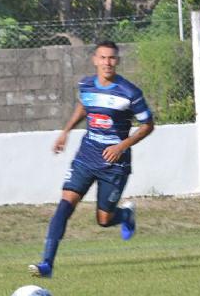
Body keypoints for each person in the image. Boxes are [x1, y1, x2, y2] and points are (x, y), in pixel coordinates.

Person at [29, 41, 154, 278]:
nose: (107, 63)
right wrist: (65, 131)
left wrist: (121, 146)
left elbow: (148, 125)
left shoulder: (130, 93)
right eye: (103, 58)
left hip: (114, 165)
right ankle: (47, 264)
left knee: (104, 220)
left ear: (117, 61)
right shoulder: (86, 85)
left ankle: (125, 215)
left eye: (112, 58)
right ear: (95, 60)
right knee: (64, 206)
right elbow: (84, 107)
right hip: (86, 157)